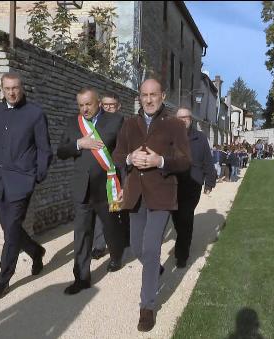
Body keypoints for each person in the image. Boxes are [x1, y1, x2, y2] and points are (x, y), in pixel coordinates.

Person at [112, 78, 191, 332]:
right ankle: (153, 266)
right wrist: (128, 157)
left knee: (152, 246)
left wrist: (160, 161)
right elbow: (116, 154)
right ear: (139, 96)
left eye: (153, 95)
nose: (148, 99)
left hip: (161, 196)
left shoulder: (175, 125)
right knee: (138, 248)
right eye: (144, 95)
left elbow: (184, 161)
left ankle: (147, 307)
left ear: (162, 95)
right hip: (135, 196)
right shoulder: (128, 124)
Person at [0, 72, 53, 300]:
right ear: (1, 88)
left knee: (11, 230)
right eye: (7, 88)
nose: (12, 92)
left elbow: (44, 149)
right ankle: (35, 250)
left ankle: (3, 279)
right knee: (10, 229)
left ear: (22, 88)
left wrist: (36, 176)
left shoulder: (35, 114)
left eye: (16, 88)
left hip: (21, 182)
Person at [57, 88, 126, 295]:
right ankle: (82, 278)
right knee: (81, 233)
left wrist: (124, 185)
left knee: (111, 227)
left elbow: (122, 153)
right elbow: (61, 152)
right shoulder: (73, 123)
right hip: (82, 188)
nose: (84, 109)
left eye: (88, 104)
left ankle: (115, 256)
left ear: (98, 103)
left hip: (107, 187)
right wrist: (79, 143)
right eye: (81, 105)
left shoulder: (116, 120)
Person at [172, 108, 216, 268]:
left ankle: (182, 254)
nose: (183, 120)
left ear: (191, 119)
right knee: (176, 218)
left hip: (193, 184)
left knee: (186, 217)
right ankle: (182, 238)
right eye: (180, 117)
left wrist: (210, 182)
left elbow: (208, 161)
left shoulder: (200, 137)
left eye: (186, 117)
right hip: (173, 184)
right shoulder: (170, 137)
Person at [91, 92, 129, 260]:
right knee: (101, 210)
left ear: (118, 107)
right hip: (100, 175)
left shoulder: (125, 125)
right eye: (104, 105)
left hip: (119, 172)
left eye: (111, 106)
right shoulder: (95, 124)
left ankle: (123, 238)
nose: (107, 108)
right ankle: (99, 246)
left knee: (121, 208)